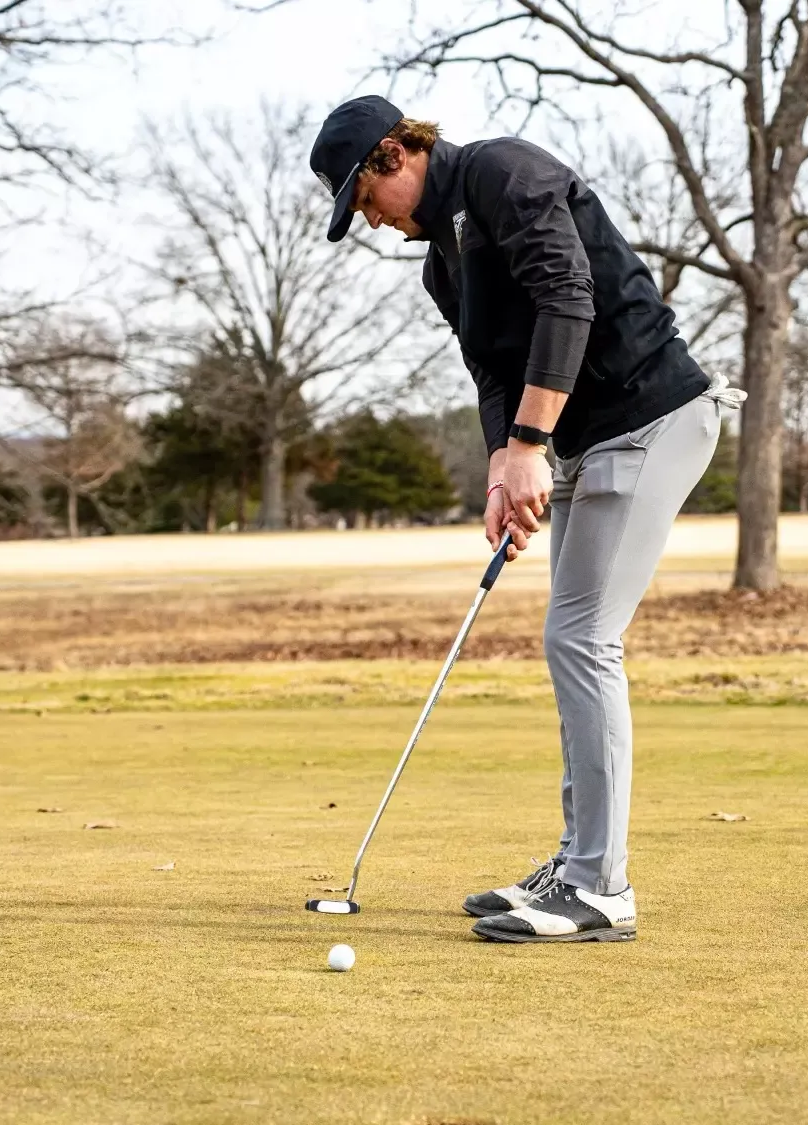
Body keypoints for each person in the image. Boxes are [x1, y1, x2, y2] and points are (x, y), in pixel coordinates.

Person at [311, 95, 741, 943]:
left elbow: (567, 299)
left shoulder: (505, 171)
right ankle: (579, 855)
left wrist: (529, 445)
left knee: (582, 639)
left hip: (651, 416)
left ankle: (600, 887)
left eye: (365, 199)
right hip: (580, 442)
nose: (371, 221)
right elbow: (493, 374)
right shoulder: (444, 263)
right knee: (569, 639)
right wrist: (503, 471)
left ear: (397, 154)